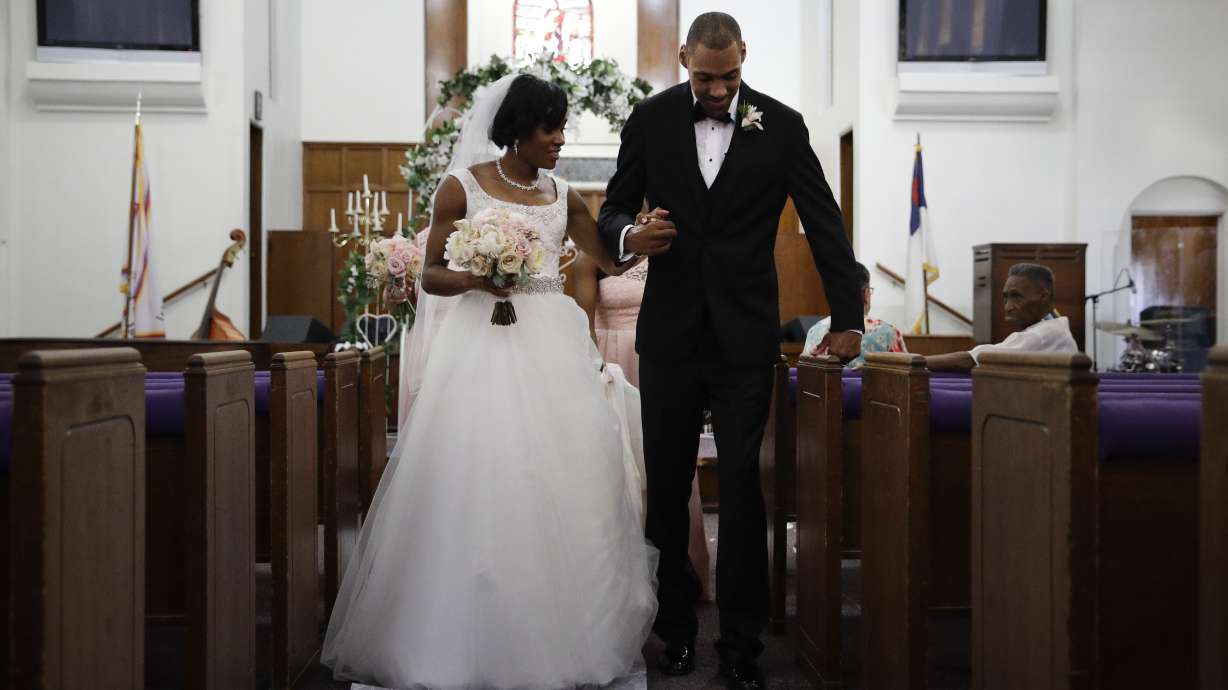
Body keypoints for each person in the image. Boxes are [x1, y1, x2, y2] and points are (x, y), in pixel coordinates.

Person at [322, 74, 656, 690]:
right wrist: (480, 279)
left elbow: (610, 260)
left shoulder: (564, 196)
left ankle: (562, 628)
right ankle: (460, 630)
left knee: (559, 476)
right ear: (518, 130)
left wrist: (642, 238)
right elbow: (431, 277)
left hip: (552, 346)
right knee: (480, 478)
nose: (560, 139)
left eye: (562, 126)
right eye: (550, 127)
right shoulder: (462, 187)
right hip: (481, 350)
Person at [597, 12, 864, 689]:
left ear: (745, 56)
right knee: (666, 485)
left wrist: (847, 316)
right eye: (704, 78)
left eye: (729, 77)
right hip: (671, 336)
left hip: (747, 335)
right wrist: (632, 236)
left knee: (744, 486)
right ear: (685, 58)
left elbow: (822, 218)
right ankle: (678, 631)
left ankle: (741, 643)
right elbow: (613, 209)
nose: (717, 91)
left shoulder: (783, 124)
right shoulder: (650, 120)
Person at [573, 251, 713, 601]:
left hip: (665, 358)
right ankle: (614, 581)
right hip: (613, 360)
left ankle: (678, 574)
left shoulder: (673, 247)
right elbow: (584, 323)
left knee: (667, 460)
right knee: (615, 462)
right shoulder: (597, 250)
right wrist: (594, 370)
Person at [926, 262, 1078, 372]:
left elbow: (971, 360)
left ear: (1044, 296)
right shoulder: (1052, 326)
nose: (1008, 306)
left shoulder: (1042, 335)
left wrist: (915, 361)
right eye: (1006, 297)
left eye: (1017, 297)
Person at [804, 262, 907, 368]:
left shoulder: (814, 330)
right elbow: (905, 373)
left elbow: (805, 372)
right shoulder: (889, 333)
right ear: (866, 294)